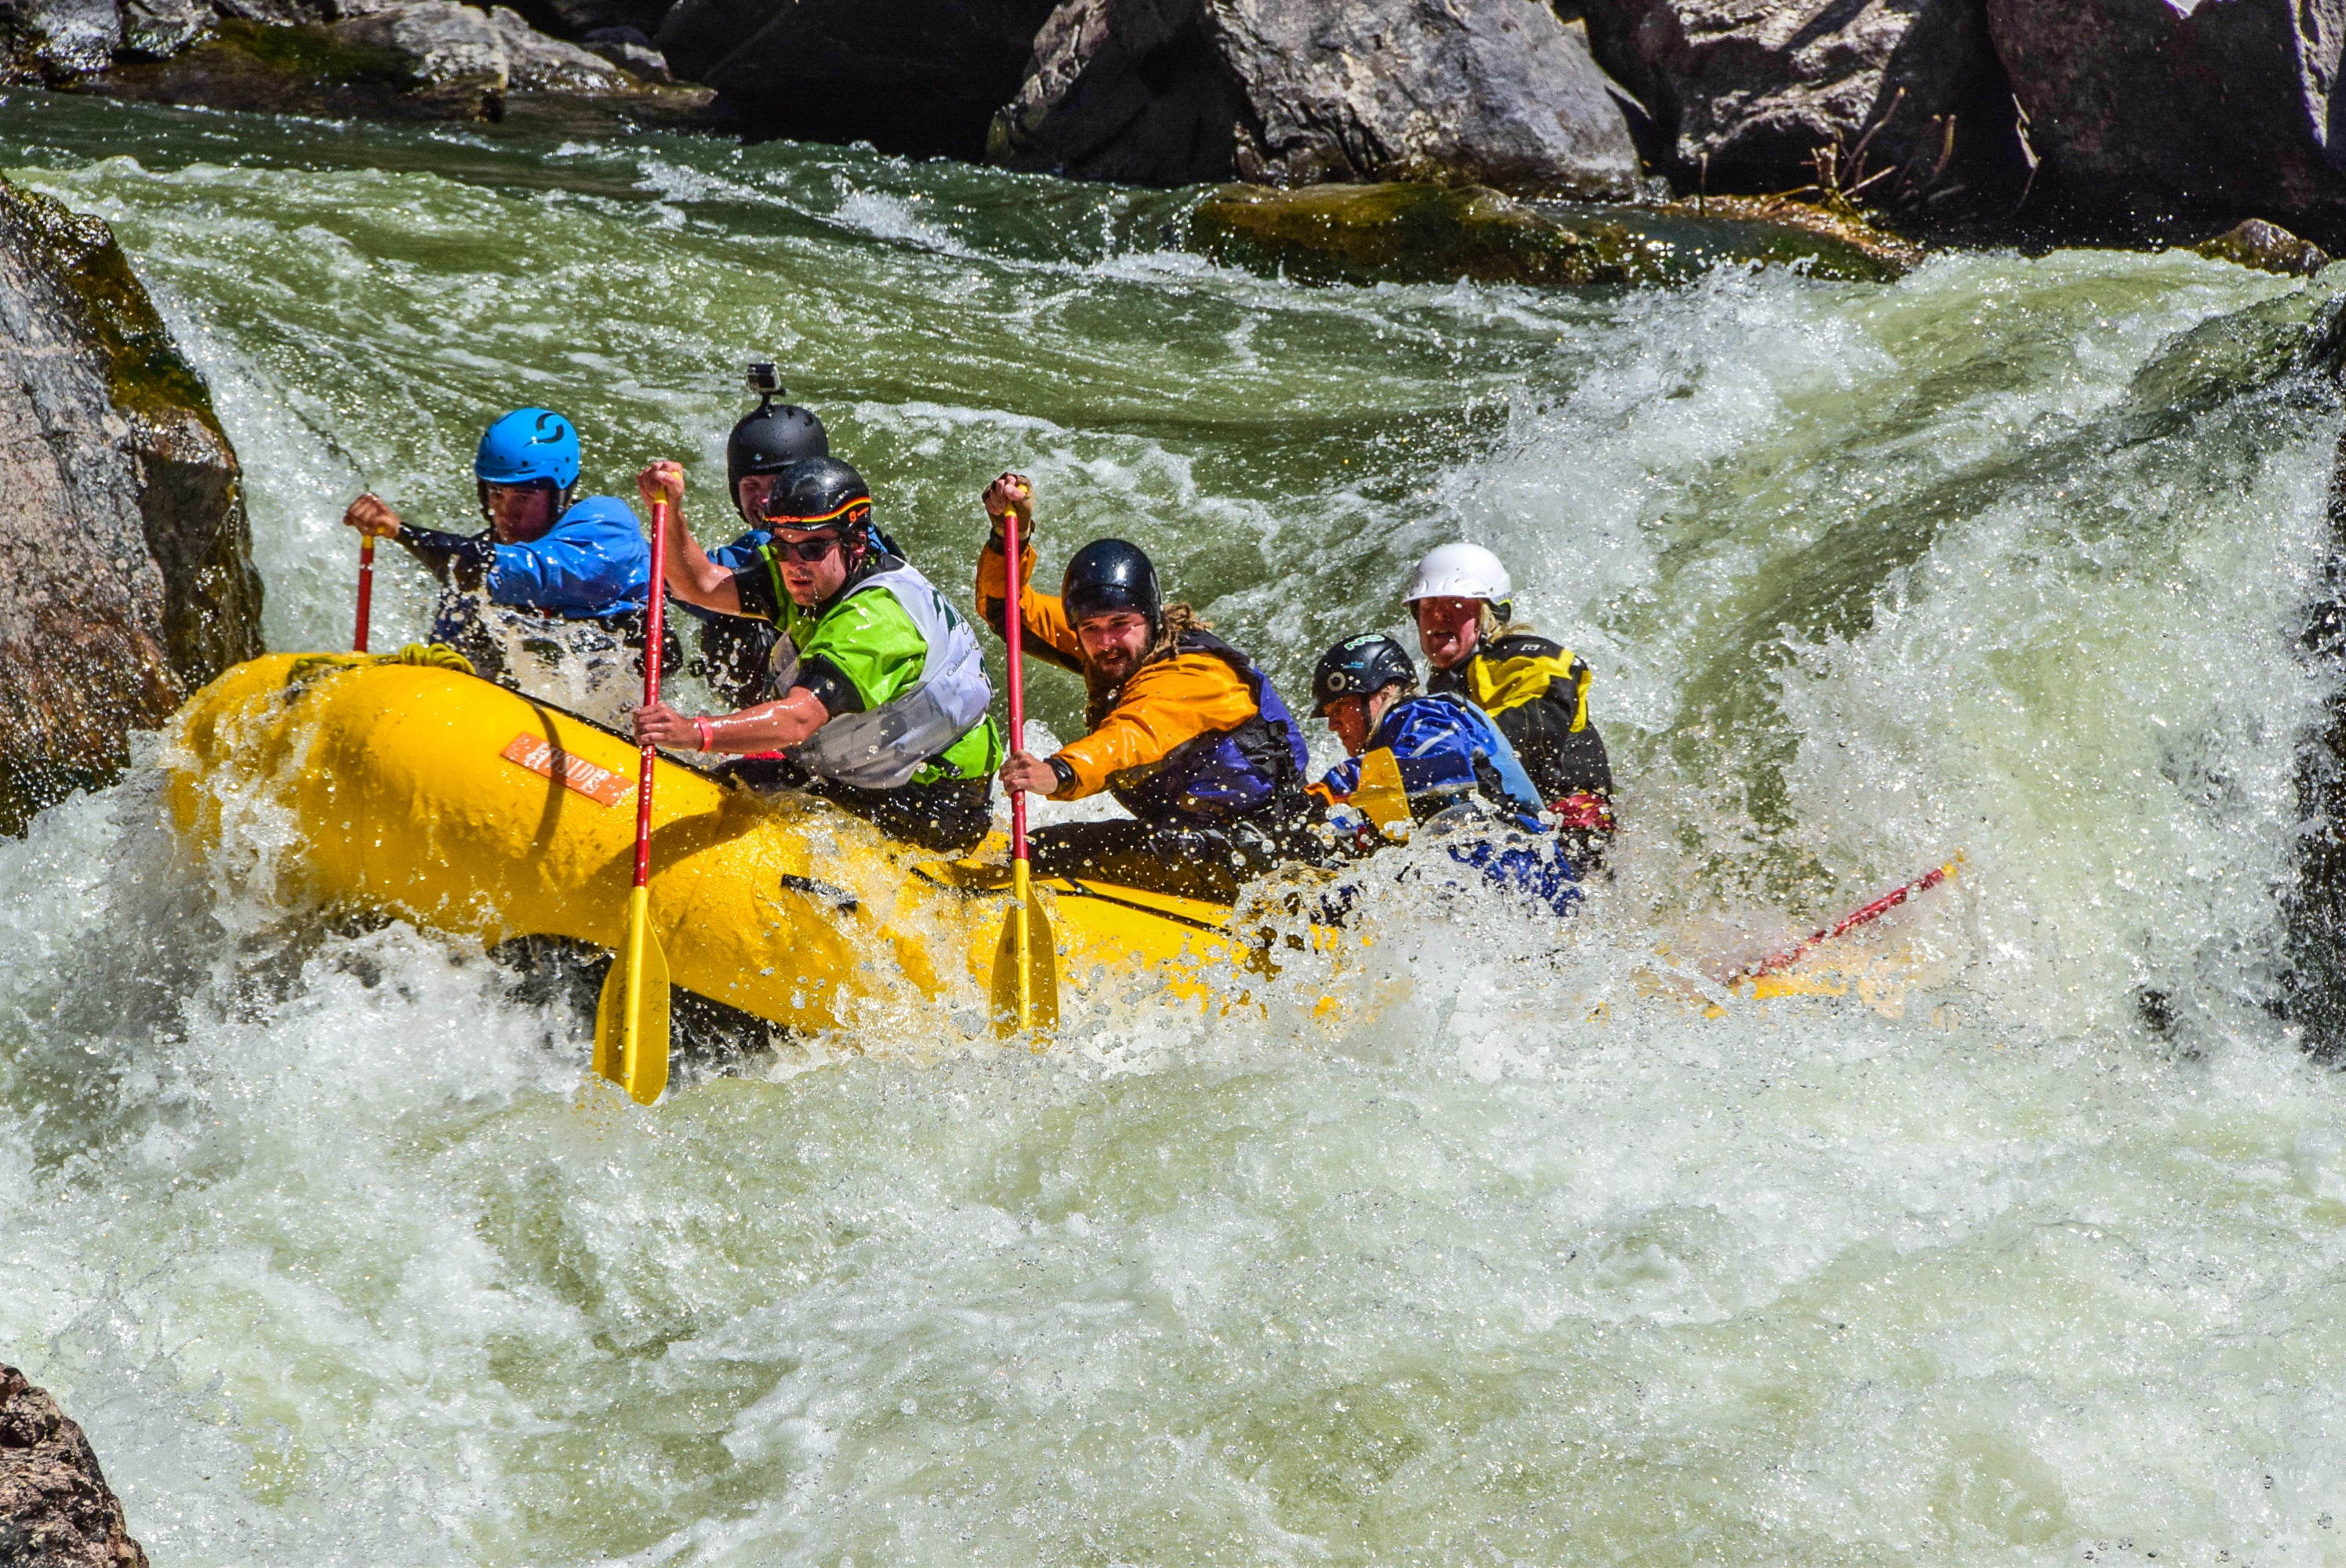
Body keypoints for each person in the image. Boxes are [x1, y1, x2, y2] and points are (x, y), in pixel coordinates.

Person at [977, 472, 1320, 905]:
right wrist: (1011, 535)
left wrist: (1059, 772)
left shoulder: (1192, 676)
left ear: (1151, 618)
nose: (1106, 642)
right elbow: (1006, 610)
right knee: (1042, 848)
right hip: (1192, 832)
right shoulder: (1113, 647)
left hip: (1259, 850)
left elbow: (1129, 737)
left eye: (1121, 625)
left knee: (1052, 851)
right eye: (1090, 628)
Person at [631, 455, 1000, 854]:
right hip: (877, 776)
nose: (794, 565)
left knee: (752, 796)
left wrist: (695, 732)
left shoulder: (874, 621)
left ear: (856, 542)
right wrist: (668, 512)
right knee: (736, 780)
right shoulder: (816, 577)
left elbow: (798, 718)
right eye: (782, 548)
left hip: (933, 802)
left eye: (811, 548)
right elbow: (699, 586)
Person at [339, 407, 654, 729]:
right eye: (496, 494)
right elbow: (449, 652)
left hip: (627, 722)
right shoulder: (480, 556)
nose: (506, 513)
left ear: (559, 494)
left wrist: (400, 532)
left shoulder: (606, 530)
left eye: (523, 497)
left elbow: (528, 573)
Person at [1306, 633, 1578, 915]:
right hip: (1491, 879)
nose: (1333, 725)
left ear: (1384, 692)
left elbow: (1435, 758)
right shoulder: (1384, 758)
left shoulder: (1428, 712)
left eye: (1340, 708)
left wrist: (1330, 791)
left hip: (1520, 867)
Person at [1404, 542, 1616, 861]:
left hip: (1573, 833)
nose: (1437, 613)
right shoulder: (1437, 690)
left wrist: (1451, 747)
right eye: (1427, 603)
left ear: (1489, 612)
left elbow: (1544, 714)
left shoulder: (1526, 656)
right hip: (1513, 833)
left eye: (1456, 603)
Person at [681, 370, 833, 708]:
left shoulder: (773, 549)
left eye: (778, 485)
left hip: (823, 699)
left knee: (728, 613)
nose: (764, 502)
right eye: (752, 487)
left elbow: (690, 579)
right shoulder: (851, 530)